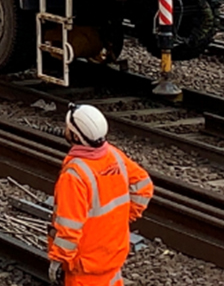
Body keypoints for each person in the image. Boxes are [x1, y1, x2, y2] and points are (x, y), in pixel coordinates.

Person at [47, 104, 154, 286]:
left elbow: (69, 227)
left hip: (86, 265)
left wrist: (59, 260)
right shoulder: (114, 156)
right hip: (113, 253)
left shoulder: (75, 175)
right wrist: (121, 220)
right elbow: (144, 187)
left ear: (75, 136)